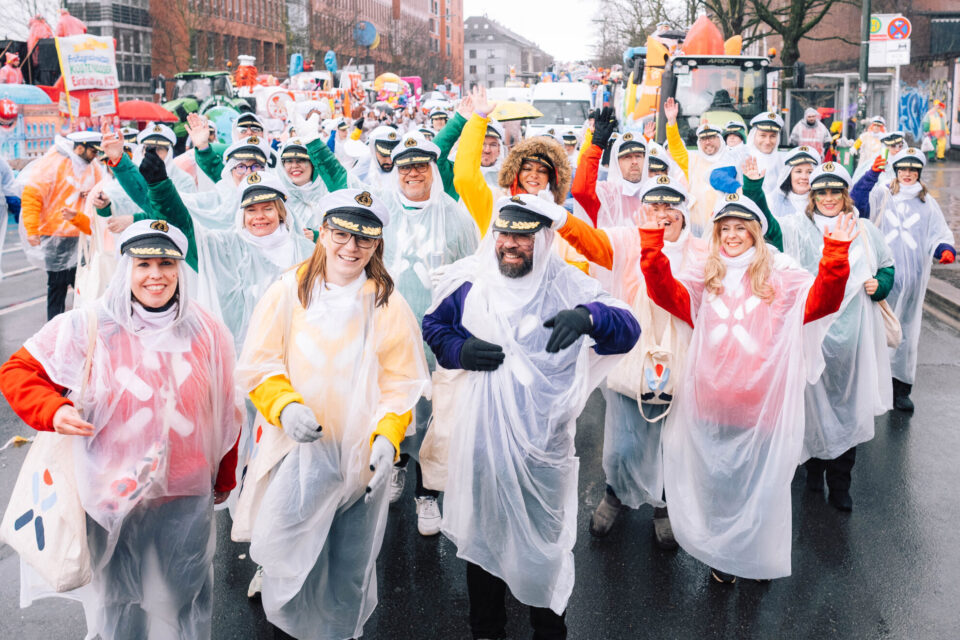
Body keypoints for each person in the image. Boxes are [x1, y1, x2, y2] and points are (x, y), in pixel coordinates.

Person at [0, 219, 241, 639]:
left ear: (180, 269)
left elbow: (225, 411)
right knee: (118, 602)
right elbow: (19, 370)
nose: (155, 275)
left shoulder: (208, 332)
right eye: (143, 263)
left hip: (183, 493)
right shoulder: (90, 324)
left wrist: (224, 475)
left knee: (184, 596)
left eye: (166, 263)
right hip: (112, 494)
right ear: (125, 267)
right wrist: (52, 409)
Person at [422, 194, 640, 639]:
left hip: (545, 444)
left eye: (523, 235)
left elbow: (627, 328)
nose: (511, 244)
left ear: (542, 239)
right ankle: (487, 629)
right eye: (504, 233)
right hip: (482, 438)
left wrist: (588, 318)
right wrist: (457, 349)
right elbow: (434, 326)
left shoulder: (566, 284)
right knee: (483, 541)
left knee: (545, 547)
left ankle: (548, 627)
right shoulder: (472, 281)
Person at [235, 188, 429, 640]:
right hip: (295, 450)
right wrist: (284, 406)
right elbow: (260, 363)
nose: (350, 247)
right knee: (288, 553)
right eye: (340, 233)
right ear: (322, 232)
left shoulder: (386, 302)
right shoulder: (290, 289)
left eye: (363, 239)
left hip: (356, 457)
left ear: (377, 244)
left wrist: (387, 435)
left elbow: (399, 381)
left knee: (347, 564)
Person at [639, 181, 856, 583]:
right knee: (719, 487)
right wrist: (651, 245)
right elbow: (665, 293)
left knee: (760, 491)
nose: (733, 236)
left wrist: (836, 256)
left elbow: (822, 302)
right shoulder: (704, 277)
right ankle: (724, 559)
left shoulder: (784, 277)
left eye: (741, 228)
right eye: (725, 229)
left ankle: (753, 556)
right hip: (711, 406)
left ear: (755, 232)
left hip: (762, 411)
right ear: (716, 234)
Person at [557, 176, 706, 545]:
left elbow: (678, 296)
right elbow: (589, 242)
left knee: (671, 442)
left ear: (684, 212)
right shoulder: (627, 239)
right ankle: (616, 495)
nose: (661, 213)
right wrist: (557, 218)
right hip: (630, 360)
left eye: (670, 206)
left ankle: (664, 506)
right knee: (624, 442)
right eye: (653, 205)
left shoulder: (704, 252)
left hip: (684, 363)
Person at [745, 159, 894, 512]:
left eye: (834, 191)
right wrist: (754, 186)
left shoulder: (866, 231)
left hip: (854, 340)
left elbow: (887, 267)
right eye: (821, 191)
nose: (828, 197)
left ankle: (840, 484)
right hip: (811, 336)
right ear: (812, 196)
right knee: (809, 407)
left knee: (848, 409)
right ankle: (813, 471)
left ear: (845, 195)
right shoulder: (796, 227)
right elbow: (766, 232)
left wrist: (880, 284)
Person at [379, 132, 479, 533]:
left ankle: (427, 494)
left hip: (437, 336)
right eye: (406, 167)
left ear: (433, 170)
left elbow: (475, 272)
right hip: (391, 334)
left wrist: (456, 279)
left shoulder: (455, 216)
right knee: (395, 404)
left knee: (434, 416)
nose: (413, 173)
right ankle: (396, 467)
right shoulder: (383, 212)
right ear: (396, 172)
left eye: (421, 165)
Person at [851, 147, 957, 412]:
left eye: (913, 170)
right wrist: (871, 175)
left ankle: (901, 389)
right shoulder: (883, 193)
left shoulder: (927, 202)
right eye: (903, 169)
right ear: (896, 171)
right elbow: (857, 202)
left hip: (913, 286)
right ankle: (872, 386)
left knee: (907, 335)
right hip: (884, 280)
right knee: (877, 331)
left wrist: (944, 248)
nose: (907, 174)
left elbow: (938, 232)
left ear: (919, 172)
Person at [20, 130, 104, 319]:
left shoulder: (92, 167)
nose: (95, 156)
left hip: (83, 234)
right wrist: (32, 230)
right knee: (57, 287)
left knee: (85, 285)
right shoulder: (52, 164)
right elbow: (32, 197)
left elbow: (102, 190)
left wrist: (92, 194)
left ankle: (85, 325)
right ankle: (54, 328)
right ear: (80, 148)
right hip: (56, 237)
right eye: (93, 151)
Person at [665, 97, 731, 237]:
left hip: (726, 225)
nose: (708, 142)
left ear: (719, 139)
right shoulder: (692, 160)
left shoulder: (730, 160)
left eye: (711, 138)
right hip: (697, 228)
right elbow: (676, 148)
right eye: (703, 139)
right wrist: (671, 122)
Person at [766, 145, 821, 219]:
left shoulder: (823, 202)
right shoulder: (773, 201)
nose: (804, 177)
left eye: (809, 172)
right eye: (798, 171)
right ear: (789, 175)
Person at [746, 111, 784, 195]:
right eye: (763, 135)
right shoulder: (741, 155)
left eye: (773, 136)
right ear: (753, 136)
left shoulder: (782, 160)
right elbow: (718, 176)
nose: (767, 141)